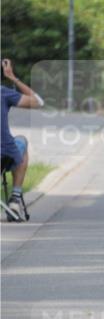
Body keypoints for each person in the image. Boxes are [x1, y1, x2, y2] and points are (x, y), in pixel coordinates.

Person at [1, 58, 45, 221]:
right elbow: (38, 102)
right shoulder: (3, 92)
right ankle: (15, 198)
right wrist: (12, 77)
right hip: (3, 157)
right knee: (21, 141)